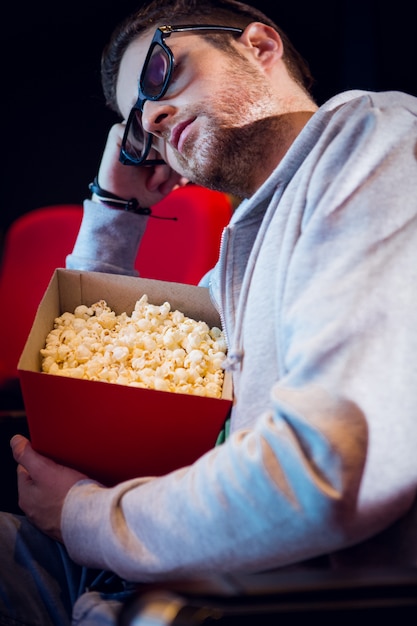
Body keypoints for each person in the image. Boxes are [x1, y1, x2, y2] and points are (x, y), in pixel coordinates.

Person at [1, 0, 417, 623]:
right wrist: (117, 206)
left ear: (259, 45)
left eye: (160, 74)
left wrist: (82, 516)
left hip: (257, 601)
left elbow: (324, 472)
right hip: (143, 572)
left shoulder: (371, 139)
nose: (156, 116)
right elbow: (93, 358)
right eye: (139, 125)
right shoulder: (230, 267)